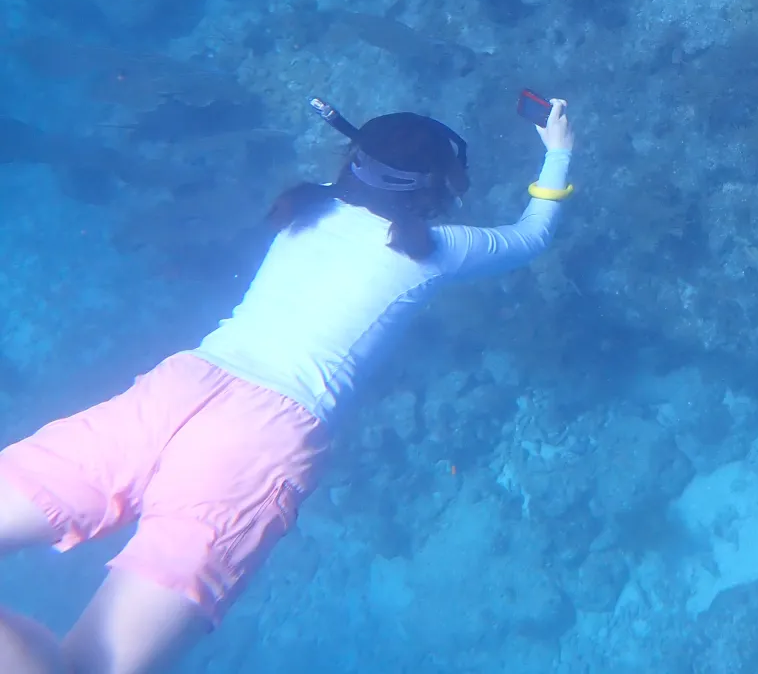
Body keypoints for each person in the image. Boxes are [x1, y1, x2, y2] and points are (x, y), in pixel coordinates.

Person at [0, 97, 575, 674]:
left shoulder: (307, 208)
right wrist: (559, 153)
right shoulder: (439, 251)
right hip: (261, 438)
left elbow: (361, 173)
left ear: (351, 162)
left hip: (182, 384)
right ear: (439, 187)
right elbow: (533, 235)